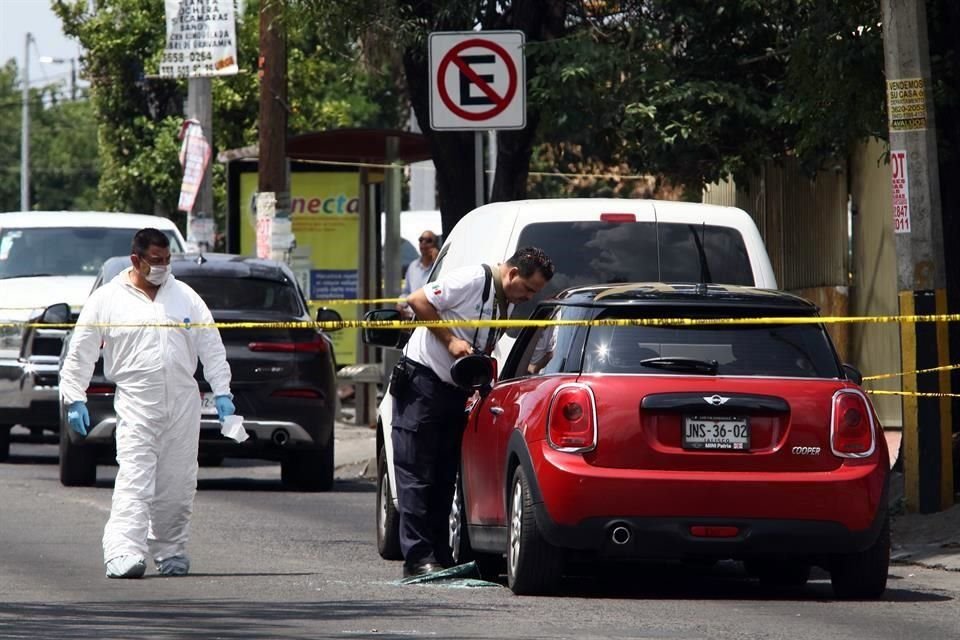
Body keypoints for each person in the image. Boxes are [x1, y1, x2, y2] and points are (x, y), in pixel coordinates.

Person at [59, 228, 235, 579]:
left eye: (167, 260)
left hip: (183, 403)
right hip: (137, 401)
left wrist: (223, 392)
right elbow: (81, 352)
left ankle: (170, 550)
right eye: (155, 261)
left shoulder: (185, 298)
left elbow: (211, 348)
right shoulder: (108, 299)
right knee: (136, 478)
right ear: (136, 260)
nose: (162, 268)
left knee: (178, 482)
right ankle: (123, 550)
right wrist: (74, 397)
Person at [391, 246, 555, 578]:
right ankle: (417, 558)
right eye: (526, 288)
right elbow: (418, 300)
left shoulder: (503, 300)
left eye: (534, 293)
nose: (527, 297)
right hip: (423, 383)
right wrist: (451, 341)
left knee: (443, 477)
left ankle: (438, 554)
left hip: (455, 391)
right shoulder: (472, 279)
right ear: (511, 273)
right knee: (416, 476)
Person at [397, 230, 439, 319]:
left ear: (435, 246)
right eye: (421, 240)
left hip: (432, 318)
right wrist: (400, 304)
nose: (423, 243)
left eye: (428, 241)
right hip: (412, 318)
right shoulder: (412, 267)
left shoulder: (440, 266)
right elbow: (407, 292)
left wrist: (437, 262)